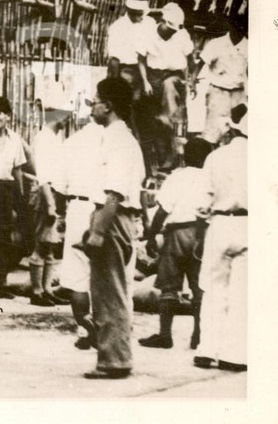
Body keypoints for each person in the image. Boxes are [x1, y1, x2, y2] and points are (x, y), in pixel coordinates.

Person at [77, 76, 145, 380]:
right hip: (112, 216)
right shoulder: (118, 137)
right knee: (106, 290)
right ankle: (113, 355)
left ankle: (115, 360)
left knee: (110, 292)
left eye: (96, 100)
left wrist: (99, 231)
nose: (92, 106)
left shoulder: (119, 140)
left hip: (113, 218)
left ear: (110, 105)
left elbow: (114, 193)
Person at [139, 137, 213, 350]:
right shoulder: (210, 178)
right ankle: (198, 335)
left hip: (177, 233)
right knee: (199, 286)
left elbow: (163, 210)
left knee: (169, 286)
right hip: (202, 232)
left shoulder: (177, 177)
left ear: (184, 156)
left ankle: (165, 335)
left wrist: (151, 236)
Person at [194, 106, 248, 372]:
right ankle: (234, 354)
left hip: (218, 223)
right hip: (249, 223)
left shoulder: (215, 157)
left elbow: (203, 202)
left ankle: (207, 349)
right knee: (241, 292)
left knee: (214, 289)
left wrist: (198, 234)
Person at [60, 116, 106, 350]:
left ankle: (84, 330)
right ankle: (104, 329)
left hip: (77, 205)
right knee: (103, 272)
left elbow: (60, 184)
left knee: (78, 274)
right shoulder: (111, 140)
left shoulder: (72, 142)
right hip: (104, 207)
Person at [136, 2, 195, 173]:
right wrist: (146, 81)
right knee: (155, 119)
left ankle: (175, 159)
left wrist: (191, 80)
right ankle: (159, 161)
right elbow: (141, 59)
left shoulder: (182, 35)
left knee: (173, 117)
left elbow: (191, 60)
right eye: (170, 27)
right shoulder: (148, 33)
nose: (172, 31)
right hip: (153, 76)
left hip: (174, 76)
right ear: (162, 21)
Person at [0, 95, 32, 300]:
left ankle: (0, 282)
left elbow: (18, 170)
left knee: (4, 237)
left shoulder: (15, 140)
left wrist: (20, 197)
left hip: (6, 190)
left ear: (7, 116)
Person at [27, 107, 69, 307]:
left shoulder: (53, 138)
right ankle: (36, 292)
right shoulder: (44, 138)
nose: (67, 120)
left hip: (54, 194)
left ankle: (47, 289)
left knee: (50, 245)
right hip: (46, 195)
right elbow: (43, 176)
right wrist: (50, 204)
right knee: (41, 244)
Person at [196, 15, 247, 145]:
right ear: (230, 27)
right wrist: (192, 81)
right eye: (236, 27)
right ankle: (210, 159)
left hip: (238, 94)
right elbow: (201, 63)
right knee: (213, 131)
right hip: (218, 92)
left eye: (242, 28)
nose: (238, 31)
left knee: (235, 130)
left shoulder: (248, 46)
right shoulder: (216, 44)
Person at [106, 0, 156, 104]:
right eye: (139, 14)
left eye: (143, 13)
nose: (142, 17)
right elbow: (114, 60)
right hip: (128, 69)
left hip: (149, 69)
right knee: (130, 95)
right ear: (130, 12)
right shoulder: (118, 27)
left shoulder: (150, 23)